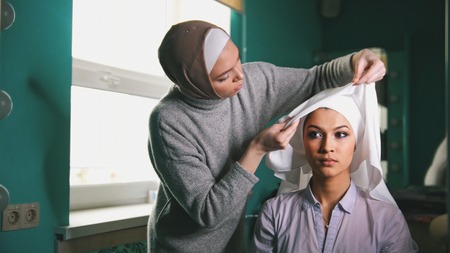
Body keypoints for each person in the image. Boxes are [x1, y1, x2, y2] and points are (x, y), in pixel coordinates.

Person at [147, 19, 386, 253]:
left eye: (238, 60)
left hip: (233, 240)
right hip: (184, 246)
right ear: (192, 83)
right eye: (223, 76)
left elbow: (315, 79)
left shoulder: (252, 81)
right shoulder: (168, 121)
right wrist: (258, 148)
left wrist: (356, 60)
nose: (240, 76)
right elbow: (209, 213)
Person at [252, 83, 418, 252]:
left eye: (341, 134)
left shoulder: (386, 219)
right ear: (303, 141)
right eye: (315, 134)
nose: (327, 147)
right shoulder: (275, 212)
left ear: (356, 143)